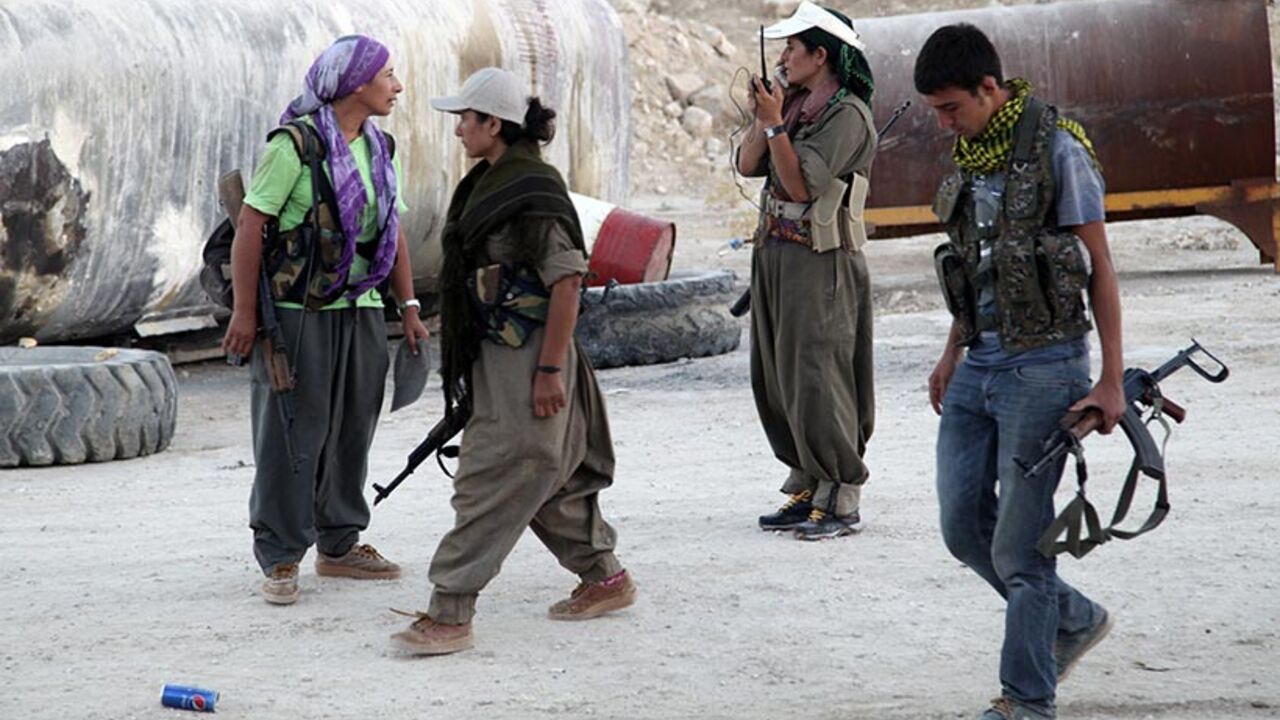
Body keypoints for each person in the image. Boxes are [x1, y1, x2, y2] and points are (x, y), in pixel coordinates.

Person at [914, 24, 1125, 720]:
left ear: (989, 87)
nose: (944, 123)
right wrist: (952, 352)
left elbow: (1100, 269)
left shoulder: (1060, 149)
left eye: (951, 108)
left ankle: (1027, 701)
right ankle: (1073, 620)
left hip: (1045, 368)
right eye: (937, 111)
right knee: (962, 526)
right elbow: (980, 265)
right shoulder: (972, 152)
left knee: (1021, 548)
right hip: (980, 363)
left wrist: (1111, 380)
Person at [390, 67, 635, 656]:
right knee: (544, 478)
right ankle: (604, 578)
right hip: (498, 357)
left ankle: (450, 612)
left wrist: (548, 372)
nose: (458, 130)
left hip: (529, 360)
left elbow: (567, 283)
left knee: (495, 476)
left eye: (466, 120)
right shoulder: (488, 184)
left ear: (493, 125)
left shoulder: (534, 193)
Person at [221, 35, 429, 606]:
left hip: (361, 309)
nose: (397, 86)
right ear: (355, 84)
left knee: (352, 427)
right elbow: (251, 227)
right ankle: (281, 553)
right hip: (299, 313)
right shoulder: (294, 146)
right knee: (293, 431)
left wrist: (408, 306)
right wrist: (245, 313)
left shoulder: (380, 148)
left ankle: (339, 543)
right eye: (388, 75)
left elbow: (392, 231)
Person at [736, 2, 878, 540]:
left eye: (793, 48)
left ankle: (839, 492)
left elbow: (799, 185)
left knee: (818, 376)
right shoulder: (794, 105)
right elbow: (748, 164)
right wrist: (765, 117)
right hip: (776, 253)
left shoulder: (847, 115)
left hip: (820, 261)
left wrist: (776, 124)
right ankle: (807, 482)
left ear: (821, 56)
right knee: (777, 374)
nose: (783, 58)